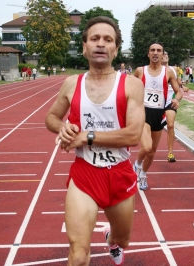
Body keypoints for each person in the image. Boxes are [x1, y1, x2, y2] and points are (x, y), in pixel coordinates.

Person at [45, 16, 144, 266]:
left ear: (116, 49)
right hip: (84, 175)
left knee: (124, 239)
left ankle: (111, 239)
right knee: (78, 253)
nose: (101, 44)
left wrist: (87, 136)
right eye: (95, 38)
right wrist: (63, 127)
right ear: (84, 46)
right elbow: (51, 117)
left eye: (108, 40)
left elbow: (133, 134)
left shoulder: (131, 85)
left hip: (119, 174)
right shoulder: (71, 84)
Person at [133, 42, 182, 190]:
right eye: (152, 50)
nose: (155, 53)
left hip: (159, 113)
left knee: (153, 152)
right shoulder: (140, 71)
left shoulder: (168, 72)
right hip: (143, 112)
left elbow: (178, 91)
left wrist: (176, 99)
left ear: (162, 54)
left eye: (158, 50)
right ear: (148, 54)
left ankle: (143, 175)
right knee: (146, 147)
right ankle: (137, 165)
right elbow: (126, 85)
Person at [161, 52, 187, 162]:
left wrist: (182, 86)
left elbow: (177, 82)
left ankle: (170, 153)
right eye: (163, 54)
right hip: (156, 103)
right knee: (154, 129)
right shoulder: (154, 71)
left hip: (170, 100)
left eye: (166, 54)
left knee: (170, 125)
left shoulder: (174, 69)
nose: (165, 55)